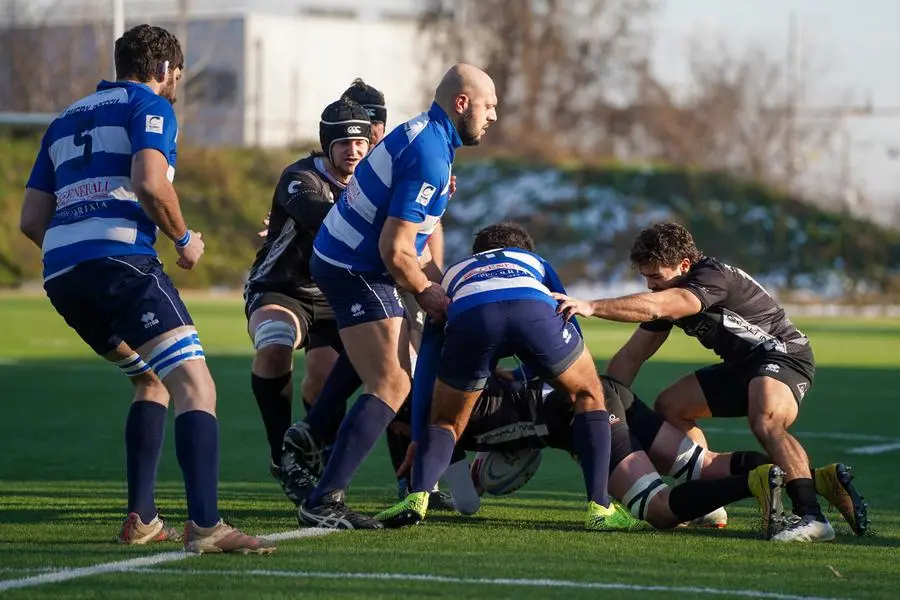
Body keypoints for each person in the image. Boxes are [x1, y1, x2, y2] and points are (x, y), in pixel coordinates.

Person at [19, 24, 274, 554]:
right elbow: (151, 182)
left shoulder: (64, 119)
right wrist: (183, 240)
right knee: (196, 386)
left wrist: (78, 249)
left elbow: (30, 219)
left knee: (151, 381)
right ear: (164, 71)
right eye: (177, 75)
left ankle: (142, 519)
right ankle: (205, 527)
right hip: (120, 263)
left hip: (63, 274)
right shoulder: (150, 107)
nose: (176, 84)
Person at [553, 222, 869, 541]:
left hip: (784, 355)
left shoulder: (710, 277)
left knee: (766, 422)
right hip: (743, 367)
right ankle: (714, 499)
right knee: (671, 405)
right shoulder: (669, 295)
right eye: (646, 278)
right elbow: (631, 357)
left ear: (685, 265)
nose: (650, 286)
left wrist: (592, 306)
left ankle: (812, 517)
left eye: (655, 277)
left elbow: (655, 307)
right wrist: (595, 403)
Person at [295, 63, 498, 529]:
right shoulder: (429, 151)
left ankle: (322, 445)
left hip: (359, 261)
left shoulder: (433, 141)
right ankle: (322, 496)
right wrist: (430, 294)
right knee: (391, 382)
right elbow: (394, 249)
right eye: (488, 107)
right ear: (461, 103)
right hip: (354, 265)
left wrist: (443, 285)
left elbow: (416, 239)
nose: (493, 118)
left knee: (399, 372)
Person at [375, 222, 619, 531]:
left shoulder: (454, 273)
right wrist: (532, 377)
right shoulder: (535, 263)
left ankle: (417, 497)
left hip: (471, 316)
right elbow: (566, 314)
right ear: (523, 251)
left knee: (447, 421)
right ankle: (600, 507)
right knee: (588, 394)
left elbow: (428, 361)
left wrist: (421, 434)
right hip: (532, 310)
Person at [244, 98, 371, 503]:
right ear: (326, 144)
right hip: (282, 287)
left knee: (325, 379)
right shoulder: (300, 177)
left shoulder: (374, 184)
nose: (353, 150)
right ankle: (283, 457)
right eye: (343, 143)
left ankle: (316, 454)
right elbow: (325, 219)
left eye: (360, 143)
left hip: (335, 296)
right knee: (276, 342)